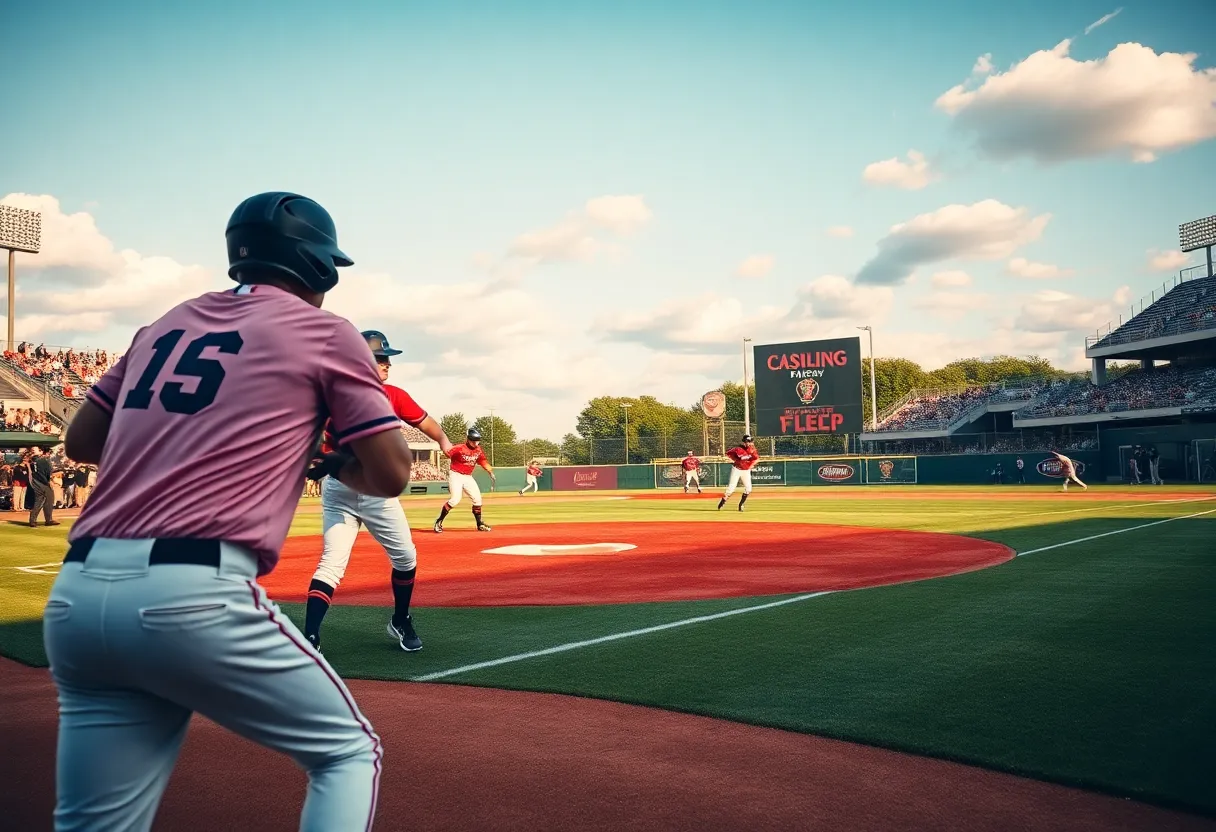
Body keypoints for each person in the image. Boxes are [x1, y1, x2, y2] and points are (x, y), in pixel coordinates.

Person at [42, 191, 414, 831]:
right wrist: (328, 463)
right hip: (192, 595)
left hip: (77, 598)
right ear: (317, 266)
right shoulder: (328, 331)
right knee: (348, 754)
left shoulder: (164, 322)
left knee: (95, 824)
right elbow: (391, 473)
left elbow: (81, 443)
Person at [303, 329, 453, 653]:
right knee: (332, 563)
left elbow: (428, 424)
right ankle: (310, 638)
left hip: (369, 489)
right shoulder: (334, 398)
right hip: (345, 489)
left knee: (405, 557)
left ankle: (400, 618)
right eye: (380, 358)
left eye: (387, 359)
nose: (387, 364)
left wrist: (443, 441)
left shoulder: (393, 395)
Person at [434, 427, 495, 532]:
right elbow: (448, 453)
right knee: (455, 500)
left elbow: (482, 460)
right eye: (474, 441)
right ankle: (439, 522)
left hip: (468, 476)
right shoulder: (459, 448)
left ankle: (479, 524)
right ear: (468, 439)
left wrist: (490, 471)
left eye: (477, 441)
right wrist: (444, 446)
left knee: (477, 499)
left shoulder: (478, 449)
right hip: (456, 475)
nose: (476, 443)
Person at [717, 434, 760, 511]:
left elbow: (756, 459)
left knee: (749, 489)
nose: (748, 443)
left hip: (746, 470)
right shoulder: (738, 449)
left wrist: (751, 465)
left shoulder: (753, 450)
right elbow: (727, 454)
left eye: (750, 442)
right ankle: (723, 500)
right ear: (743, 442)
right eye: (747, 442)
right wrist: (733, 460)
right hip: (737, 469)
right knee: (731, 488)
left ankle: (741, 504)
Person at [27, 446, 57, 527]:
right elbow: (50, 472)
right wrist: (51, 481)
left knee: (40, 500)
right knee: (48, 500)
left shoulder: (32, 461)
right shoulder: (44, 459)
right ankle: (48, 520)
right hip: (44, 483)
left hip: (36, 482)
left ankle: (33, 520)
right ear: (41, 452)